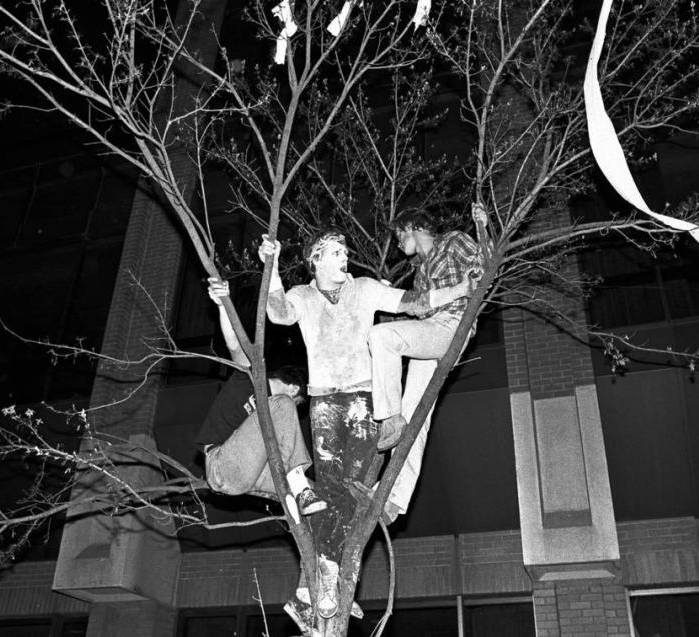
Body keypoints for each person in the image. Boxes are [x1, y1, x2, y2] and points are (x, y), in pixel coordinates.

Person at [261, 229, 472, 619]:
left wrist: (460, 289)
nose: (344, 257)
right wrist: (270, 268)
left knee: (349, 492)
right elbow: (277, 313)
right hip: (324, 401)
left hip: (364, 401)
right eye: (336, 252)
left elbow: (413, 303)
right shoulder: (303, 296)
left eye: (345, 251)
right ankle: (319, 585)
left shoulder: (365, 288)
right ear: (316, 260)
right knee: (329, 491)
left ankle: (321, 582)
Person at [365, 203, 487, 524]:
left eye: (398, 237)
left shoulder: (454, 241)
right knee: (415, 416)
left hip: (452, 326)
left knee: (381, 337)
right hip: (431, 333)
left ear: (412, 227)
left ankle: (388, 419)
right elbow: (419, 310)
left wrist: (483, 227)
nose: (397, 244)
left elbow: (486, 265)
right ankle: (392, 501)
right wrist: (391, 298)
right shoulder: (420, 271)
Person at [195, 278, 325, 517]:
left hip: (245, 475)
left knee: (316, 492)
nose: (289, 418)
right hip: (222, 463)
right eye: (297, 406)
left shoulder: (265, 421)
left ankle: (299, 497)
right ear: (295, 389)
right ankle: (296, 482)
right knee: (281, 406)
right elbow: (234, 345)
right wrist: (224, 305)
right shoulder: (253, 377)